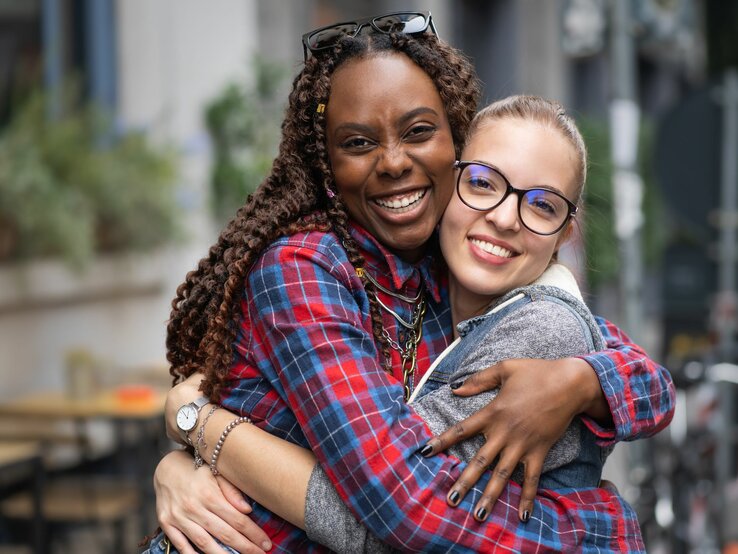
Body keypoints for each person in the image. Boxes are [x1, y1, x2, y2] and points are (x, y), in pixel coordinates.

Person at [146, 11, 674, 553]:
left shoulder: (450, 269)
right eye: (356, 142)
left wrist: (585, 381)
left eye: (419, 131)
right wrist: (600, 533)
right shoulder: (304, 269)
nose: (395, 162)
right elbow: (404, 506)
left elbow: (640, 372)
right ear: (325, 164)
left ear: (455, 146)